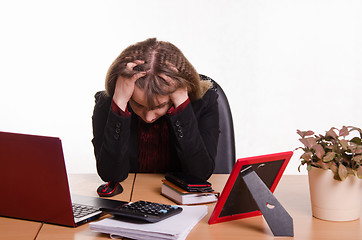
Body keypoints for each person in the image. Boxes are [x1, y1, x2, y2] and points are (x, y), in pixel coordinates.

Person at [92, 38, 220, 197]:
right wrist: (120, 102)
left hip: (181, 202)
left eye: (159, 106)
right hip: (131, 198)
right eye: (138, 104)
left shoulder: (204, 102)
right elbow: (111, 175)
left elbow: (199, 174)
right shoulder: (109, 104)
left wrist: (181, 102)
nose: (148, 117)